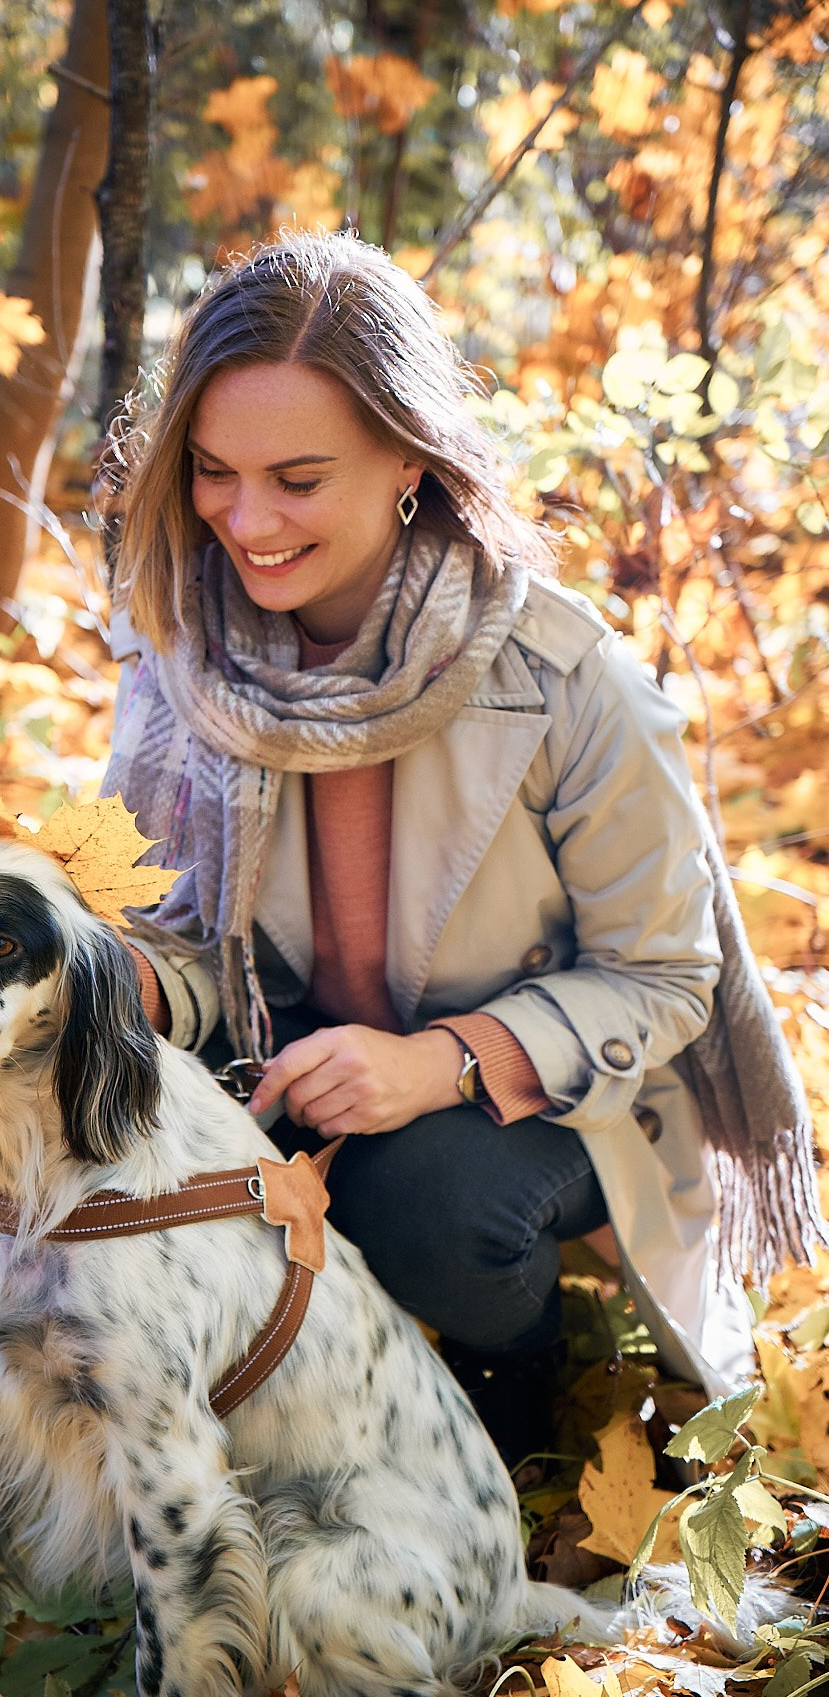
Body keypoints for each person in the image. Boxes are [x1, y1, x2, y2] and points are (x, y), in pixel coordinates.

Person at [98, 230, 825, 1466]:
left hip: (546, 1095)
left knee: (423, 1201)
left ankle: (522, 1388)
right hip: (282, 1062)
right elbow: (175, 935)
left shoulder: (560, 670)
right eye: (214, 471)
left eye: (298, 476)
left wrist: (437, 1062)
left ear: (409, 461)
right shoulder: (181, 655)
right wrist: (126, 979)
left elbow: (664, 977)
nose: (247, 519)